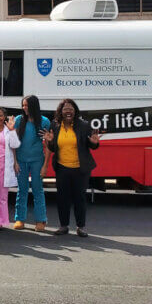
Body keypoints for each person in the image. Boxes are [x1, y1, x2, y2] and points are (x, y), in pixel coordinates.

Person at [44, 99, 100, 237]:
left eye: (71, 109)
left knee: (79, 198)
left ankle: (80, 227)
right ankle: (64, 226)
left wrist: (95, 143)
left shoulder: (84, 125)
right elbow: (52, 148)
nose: (68, 111)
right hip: (62, 168)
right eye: (65, 109)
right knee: (62, 198)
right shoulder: (55, 125)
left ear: (75, 111)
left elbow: (91, 145)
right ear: (61, 112)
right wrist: (49, 142)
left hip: (80, 169)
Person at [13, 95, 50, 231]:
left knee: (37, 190)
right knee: (21, 190)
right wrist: (15, 162)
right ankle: (19, 219)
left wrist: (45, 165)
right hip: (21, 160)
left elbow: (48, 145)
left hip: (37, 161)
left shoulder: (44, 121)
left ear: (34, 106)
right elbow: (14, 143)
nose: (24, 108)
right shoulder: (18, 120)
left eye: (27, 105)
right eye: (23, 105)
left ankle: (41, 220)